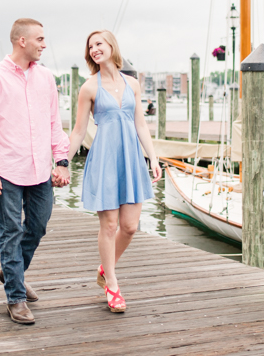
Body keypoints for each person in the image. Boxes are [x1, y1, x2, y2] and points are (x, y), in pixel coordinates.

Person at [0, 18, 71, 325]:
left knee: (38, 226)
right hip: (7, 170)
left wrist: (62, 160)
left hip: (41, 169)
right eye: (39, 39)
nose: (44, 44)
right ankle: (15, 296)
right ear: (21, 41)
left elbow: (55, 123)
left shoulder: (47, 78)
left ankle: (12, 269)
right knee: (11, 232)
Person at [64, 29, 162, 313]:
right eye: (90, 46)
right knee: (108, 226)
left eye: (99, 43)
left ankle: (106, 268)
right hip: (105, 159)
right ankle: (113, 286)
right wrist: (63, 162)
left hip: (131, 158)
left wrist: (153, 158)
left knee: (130, 227)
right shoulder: (89, 88)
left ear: (111, 46)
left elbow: (140, 124)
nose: (94, 49)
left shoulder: (132, 83)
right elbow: (79, 130)